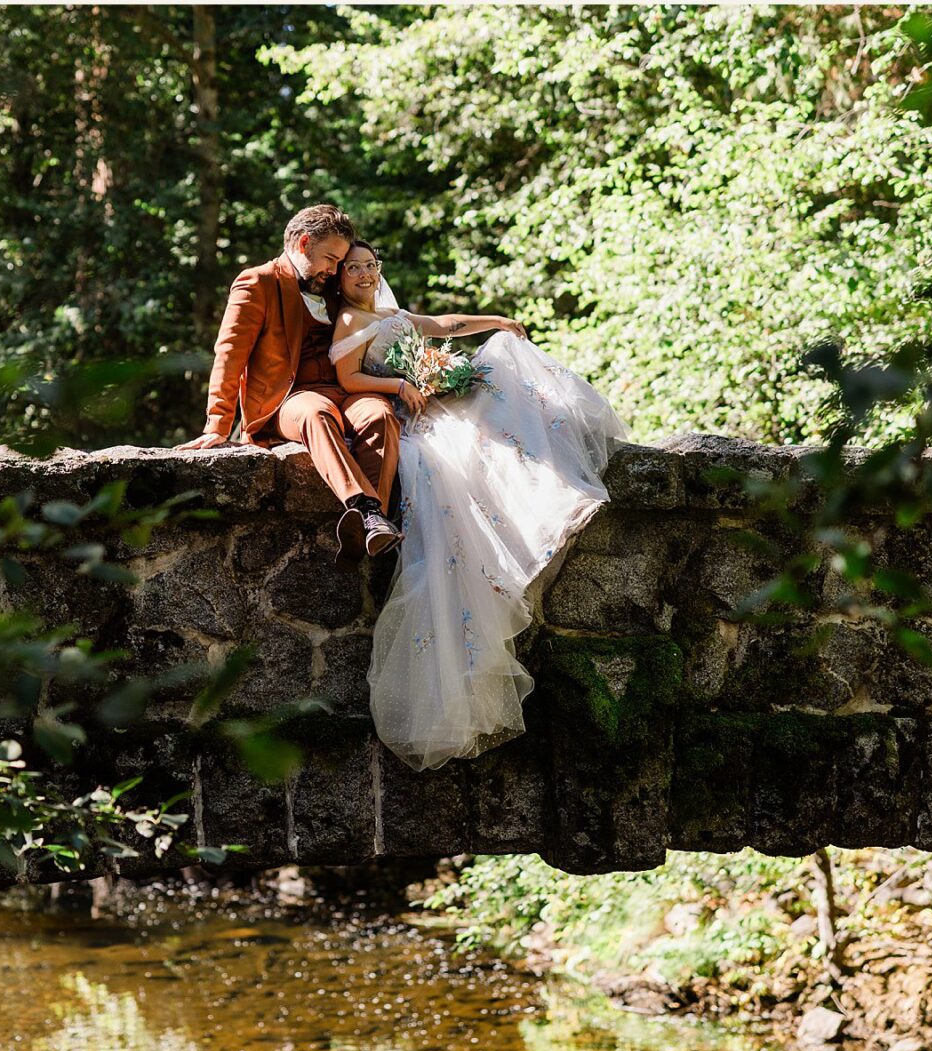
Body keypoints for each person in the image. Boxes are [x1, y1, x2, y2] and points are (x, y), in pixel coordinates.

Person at [328, 240, 631, 771]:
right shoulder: (351, 319)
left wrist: (495, 321)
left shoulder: (389, 311)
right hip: (408, 414)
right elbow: (349, 379)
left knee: (502, 367)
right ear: (341, 276)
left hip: (430, 401)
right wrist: (401, 383)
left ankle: (547, 490)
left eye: (372, 265)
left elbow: (442, 326)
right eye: (355, 268)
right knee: (467, 449)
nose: (366, 274)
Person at [176, 205, 403, 566]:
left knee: (379, 413)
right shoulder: (257, 282)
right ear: (303, 242)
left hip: (345, 389)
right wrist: (217, 424)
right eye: (331, 258)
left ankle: (371, 533)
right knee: (317, 412)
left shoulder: (330, 286)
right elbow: (229, 354)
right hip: (289, 400)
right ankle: (368, 510)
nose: (335, 269)